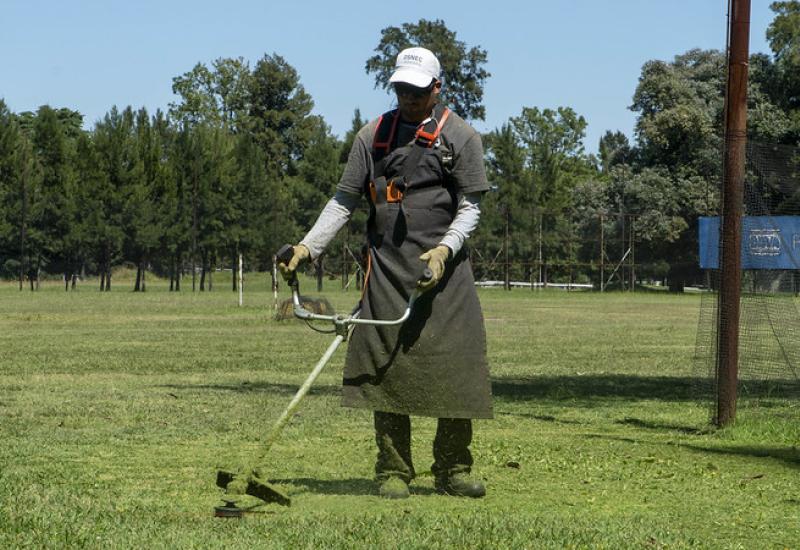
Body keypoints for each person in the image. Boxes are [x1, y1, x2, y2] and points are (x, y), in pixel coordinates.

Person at [279, 46, 492, 499]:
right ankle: (393, 470)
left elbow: (471, 207)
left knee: (455, 369)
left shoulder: (462, 137)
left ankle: (453, 468)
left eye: (416, 91)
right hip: (388, 271)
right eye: (400, 90)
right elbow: (344, 201)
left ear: (436, 89)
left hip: (445, 273)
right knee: (386, 369)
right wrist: (307, 247)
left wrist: (443, 251)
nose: (407, 99)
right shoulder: (371, 136)